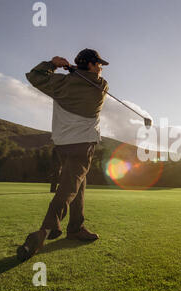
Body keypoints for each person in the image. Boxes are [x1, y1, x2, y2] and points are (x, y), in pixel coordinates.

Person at [17, 49, 109, 261]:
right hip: (82, 146)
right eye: (99, 64)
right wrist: (75, 70)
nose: (101, 68)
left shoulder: (59, 83)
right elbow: (97, 80)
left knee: (79, 184)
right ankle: (46, 229)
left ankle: (76, 227)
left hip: (61, 145)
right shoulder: (99, 87)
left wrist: (53, 63)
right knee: (70, 187)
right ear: (93, 65)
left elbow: (34, 76)